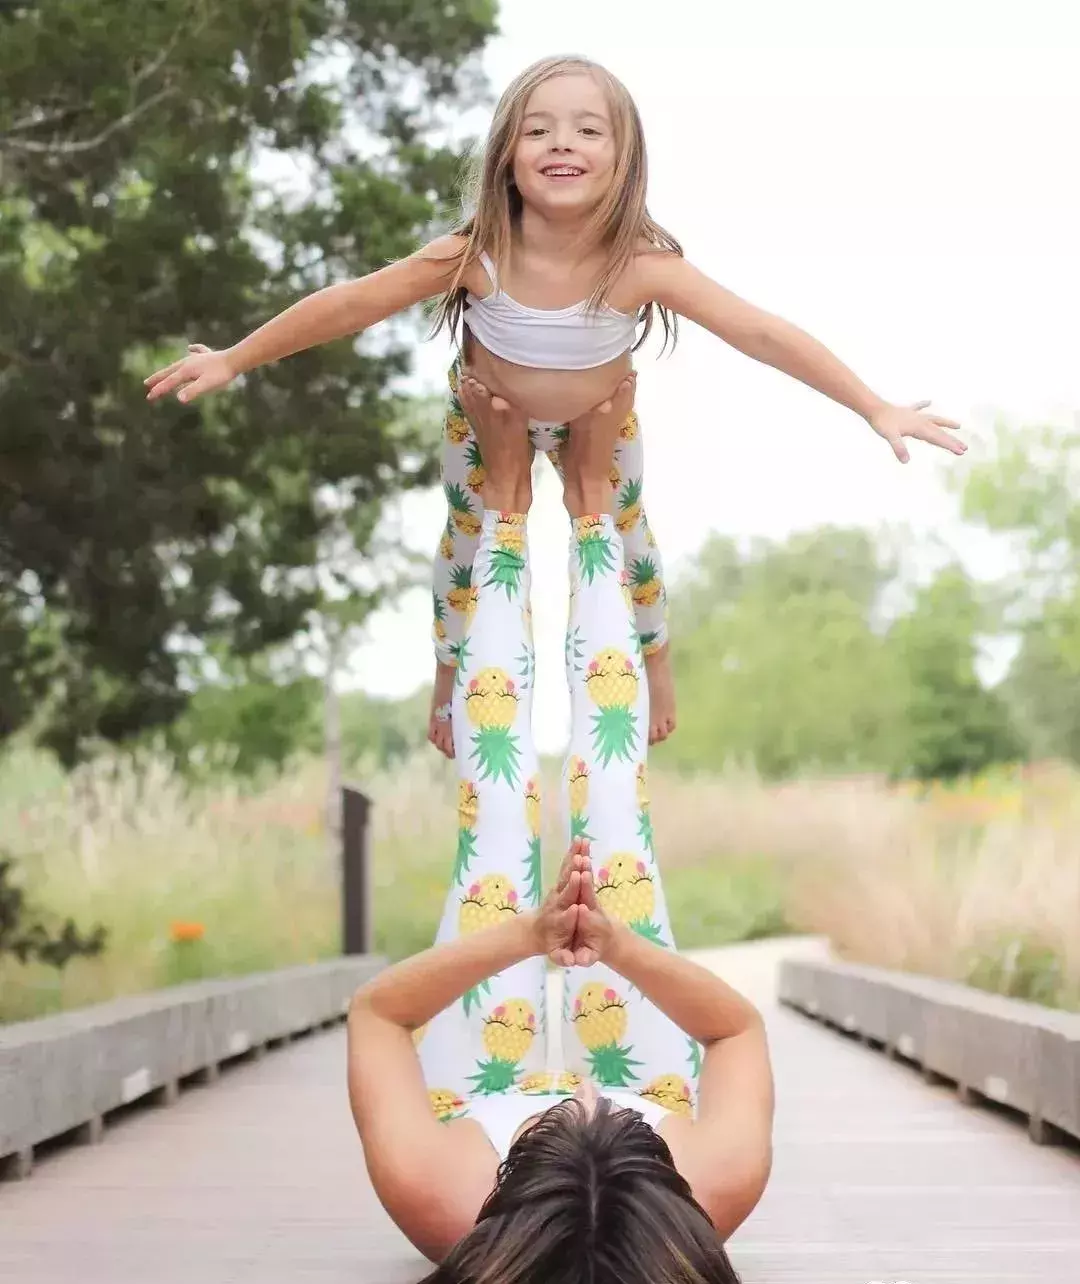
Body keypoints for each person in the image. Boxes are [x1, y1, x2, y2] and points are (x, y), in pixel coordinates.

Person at [143, 56, 966, 768]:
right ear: (507, 154)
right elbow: (353, 303)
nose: (561, 144)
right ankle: (445, 677)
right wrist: (235, 359)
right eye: (538, 130)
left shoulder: (642, 269)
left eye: (586, 131)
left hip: (596, 423)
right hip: (485, 417)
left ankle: (658, 664)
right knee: (462, 545)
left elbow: (759, 330)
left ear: (624, 160)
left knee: (632, 540)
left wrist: (873, 406)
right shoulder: (474, 256)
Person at [343, 387, 771, 1280]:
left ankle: (505, 507)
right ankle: (591, 512)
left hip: (477, 1091)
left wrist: (525, 937)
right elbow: (736, 1035)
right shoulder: (708, 1187)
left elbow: (378, 1015)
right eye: (591, 1112)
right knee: (613, 802)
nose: (575, 1091)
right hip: (651, 1071)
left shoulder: (443, 1195)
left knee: (497, 812)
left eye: (559, 1120)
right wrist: (612, 943)